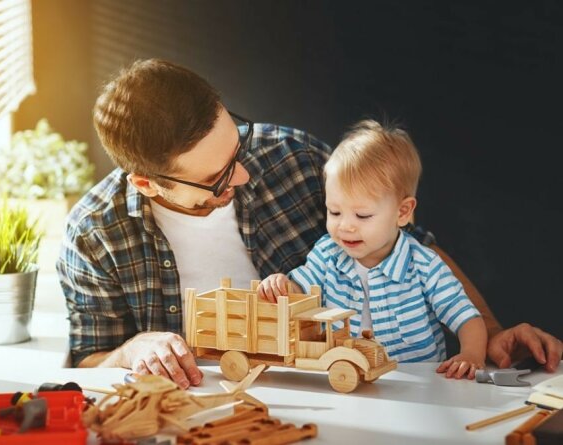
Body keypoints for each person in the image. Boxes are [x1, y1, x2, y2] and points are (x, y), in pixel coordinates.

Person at [56, 58, 561, 389]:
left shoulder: (292, 158)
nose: (247, 173)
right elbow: (86, 360)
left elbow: (415, 248)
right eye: (218, 178)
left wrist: (490, 332)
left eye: (239, 145)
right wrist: (131, 350)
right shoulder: (94, 237)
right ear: (148, 183)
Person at [257, 120, 487, 378]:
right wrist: (281, 286)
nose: (345, 226)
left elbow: (467, 318)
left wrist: (471, 354)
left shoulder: (424, 264)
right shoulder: (327, 253)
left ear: (402, 212)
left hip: (417, 384)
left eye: (362, 215)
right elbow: (300, 288)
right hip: (347, 375)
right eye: (334, 212)